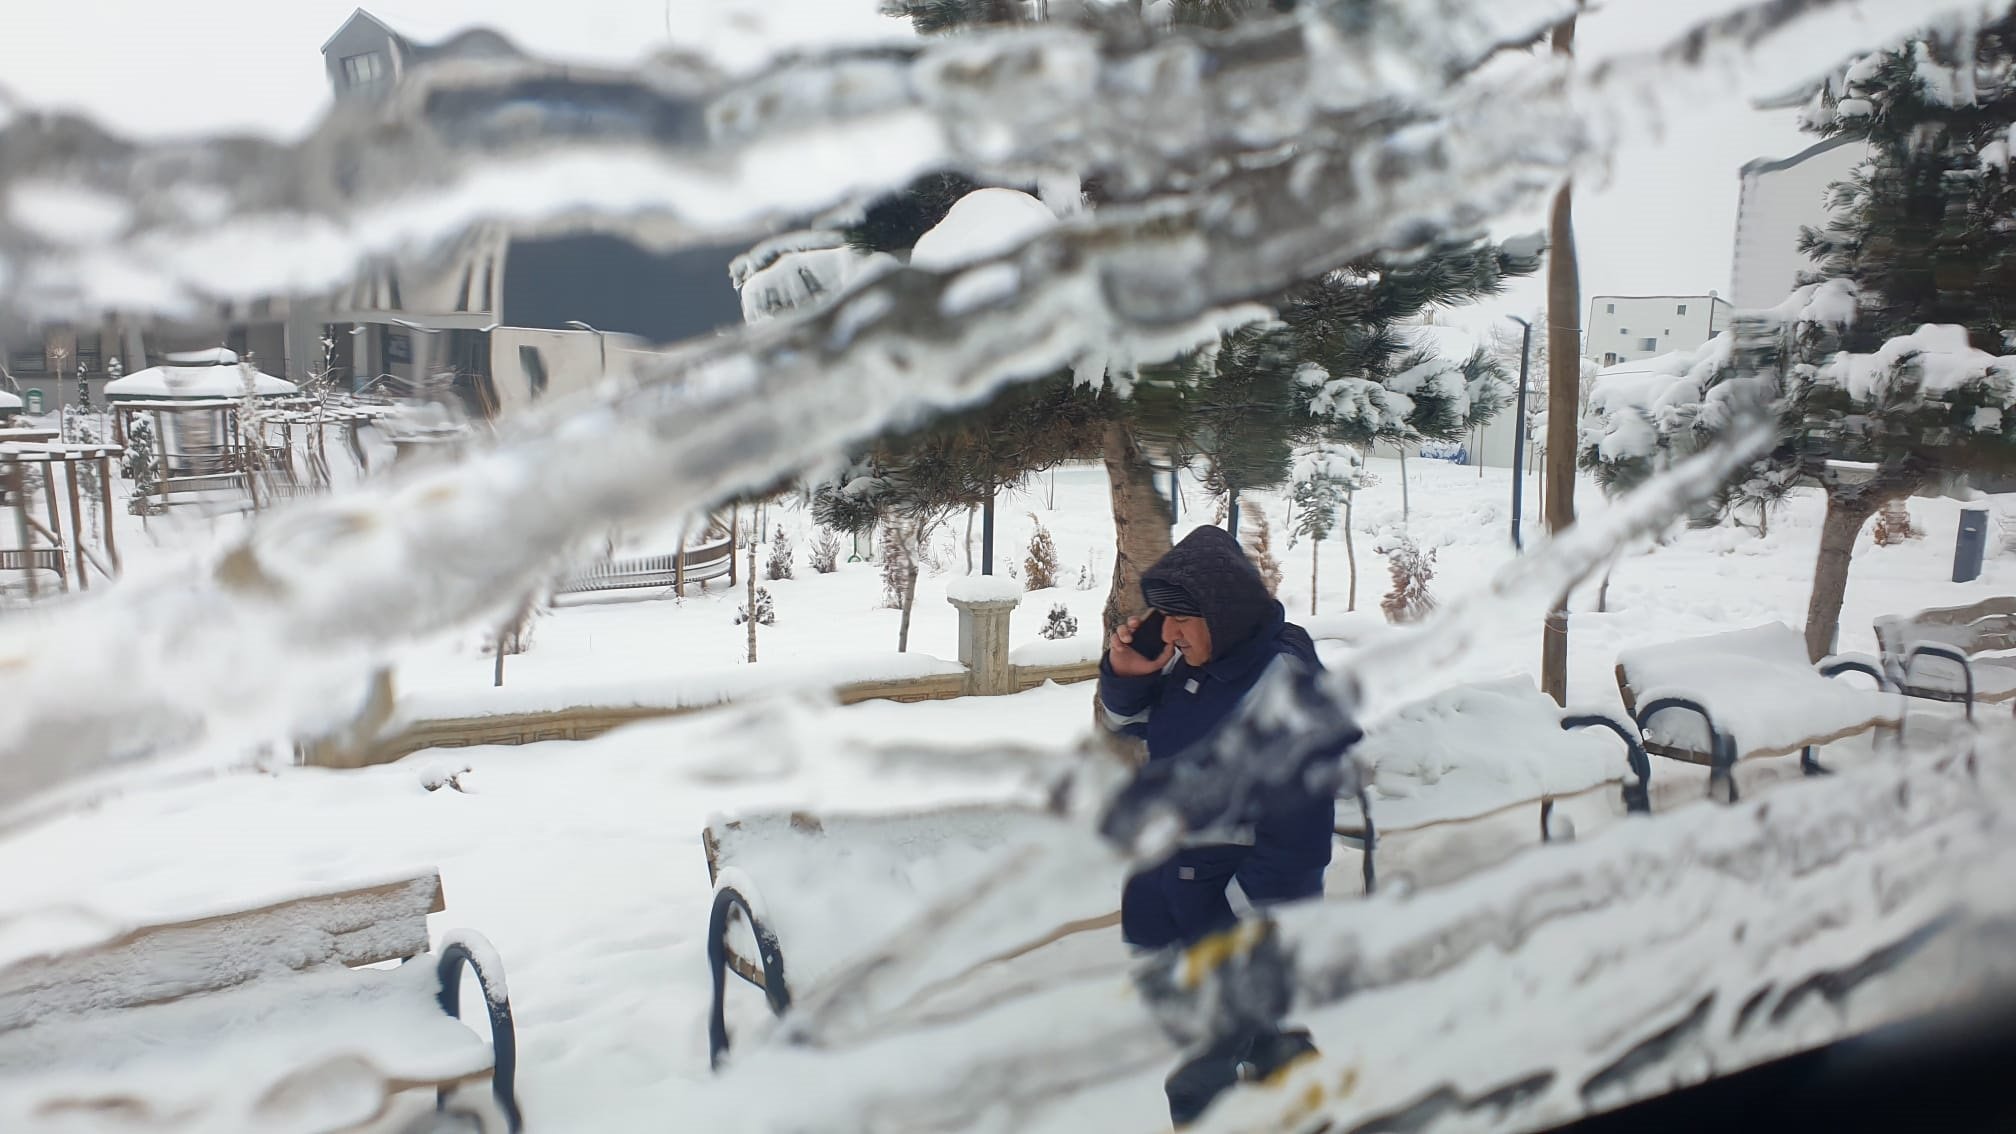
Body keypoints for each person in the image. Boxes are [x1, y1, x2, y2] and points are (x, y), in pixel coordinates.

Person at [1098, 524, 1338, 1126]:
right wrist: (1130, 673)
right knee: (1264, 1044)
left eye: (1185, 619)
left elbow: (1302, 823)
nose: (1171, 633)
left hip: (1228, 912)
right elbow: (1137, 727)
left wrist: (1243, 912)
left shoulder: (1283, 685)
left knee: (1203, 1075)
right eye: (1166, 618)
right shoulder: (1207, 665)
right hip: (1183, 892)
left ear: (1225, 613)